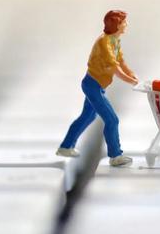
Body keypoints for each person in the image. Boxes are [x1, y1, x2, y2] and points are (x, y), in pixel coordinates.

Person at [57, 10, 138, 166]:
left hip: (96, 86)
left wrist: (131, 74)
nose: (126, 24)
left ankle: (65, 147)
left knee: (88, 117)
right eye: (124, 22)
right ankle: (115, 156)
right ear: (117, 24)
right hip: (92, 85)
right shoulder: (104, 42)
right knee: (112, 120)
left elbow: (120, 61)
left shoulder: (115, 40)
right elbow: (114, 68)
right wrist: (130, 80)